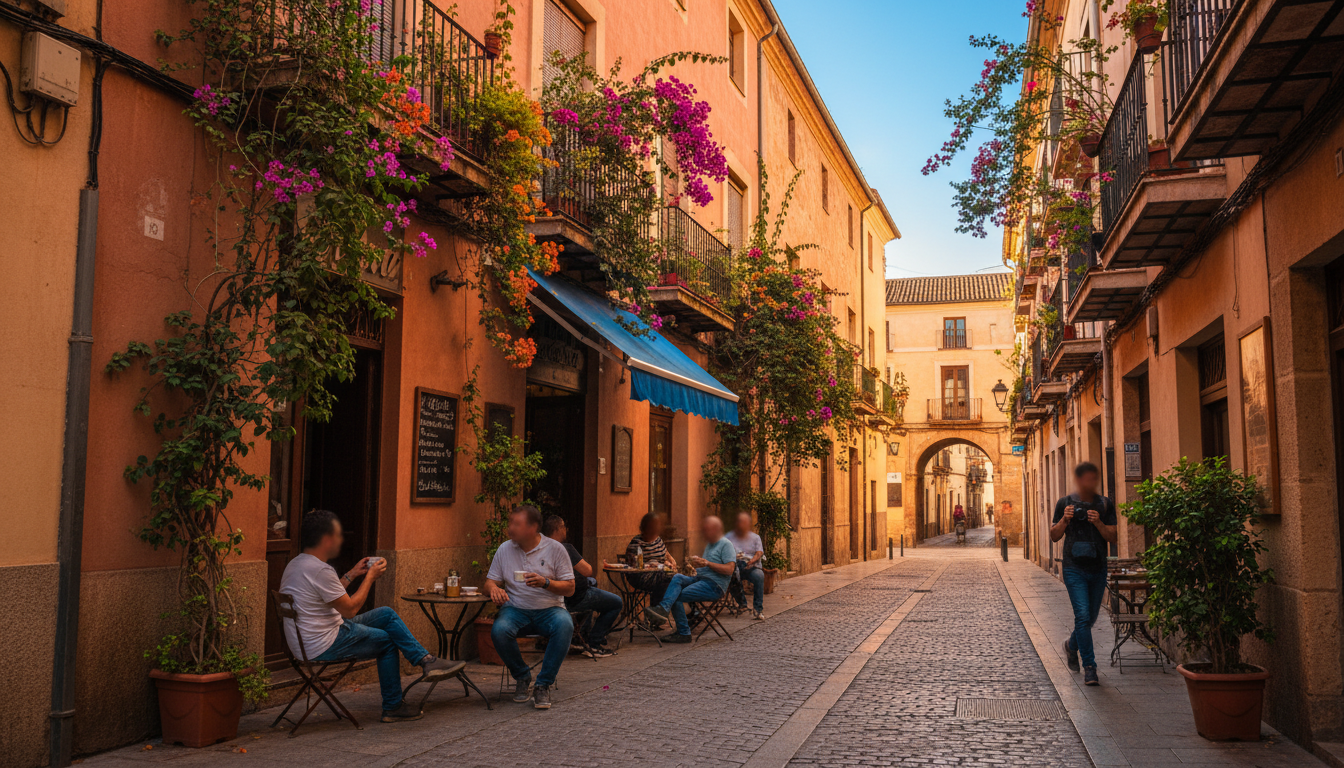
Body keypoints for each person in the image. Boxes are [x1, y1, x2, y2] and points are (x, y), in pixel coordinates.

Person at [279, 510, 461, 723]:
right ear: (326, 540)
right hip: (323, 642)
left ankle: (425, 660)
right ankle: (393, 706)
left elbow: (330, 596)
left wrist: (352, 574)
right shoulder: (320, 570)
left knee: (386, 614)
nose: (340, 539)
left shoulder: (298, 563)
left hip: (307, 640)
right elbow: (350, 609)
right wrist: (370, 578)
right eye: (337, 535)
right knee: (386, 642)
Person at [485, 504, 576, 710]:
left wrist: (546, 583)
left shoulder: (555, 549)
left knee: (564, 625)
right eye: (510, 523)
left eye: (516, 524)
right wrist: (493, 589)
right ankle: (522, 676)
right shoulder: (505, 548)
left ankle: (543, 685)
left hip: (550, 609)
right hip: (516, 608)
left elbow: (570, 588)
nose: (510, 528)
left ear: (533, 527)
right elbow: (489, 582)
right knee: (499, 630)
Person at [1050, 462, 1118, 687]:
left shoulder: (1105, 504)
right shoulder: (1065, 503)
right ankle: (1090, 667)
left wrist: (1098, 521)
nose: (1091, 483)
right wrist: (1065, 519)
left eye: (1093, 479)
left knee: (1089, 618)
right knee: (1082, 616)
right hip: (1073, 568)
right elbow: (1054, 536)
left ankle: (1071, 646)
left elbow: (1113, 537)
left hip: (1098, 567)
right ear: (1078, 481)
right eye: (1086, 479)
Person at [643, 516, 736, 643]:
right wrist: (697, 563)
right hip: (700, 579)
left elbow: (730, 569)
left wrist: (707, 563)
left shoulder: (726, 544)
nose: (704, 532)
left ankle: (683, 633)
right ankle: (663, 609)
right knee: (677, 577)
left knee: (676, 595)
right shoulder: (710, 544)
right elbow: (705, 565)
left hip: (714, 585)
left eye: (707, 530)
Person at [542, 515, 622, 658]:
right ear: (559, 529)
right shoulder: (564, 548)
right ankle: (594, 643)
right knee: (616, 603)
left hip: (552, 598)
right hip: (575, 598)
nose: (566, 530)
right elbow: (587, 570)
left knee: (591, 582)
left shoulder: (539, 549)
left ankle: (580, 636)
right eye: (564, 527)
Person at [619, 512, 677, 602]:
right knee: (670, 581)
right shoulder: (637, 543)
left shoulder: (658, 540)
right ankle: (657, 610)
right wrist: (657, 565)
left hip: (660, 574)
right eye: (653, 526)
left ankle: (658, 611)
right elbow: (634, 566)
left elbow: (665, 554)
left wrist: (670, 561)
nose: (656, 528)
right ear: (645, 527)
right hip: (641, 577)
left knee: (675, 580)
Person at [724, 511, 766, 620]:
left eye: (745, 522)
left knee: (759, 576)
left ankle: (758, 609)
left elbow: (759, 552)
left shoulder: (755, 537)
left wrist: (751, 561)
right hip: (735, 565)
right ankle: (742, 602)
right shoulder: (729, 537)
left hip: (751, 567)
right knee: (731, 574)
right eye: (740, 522)